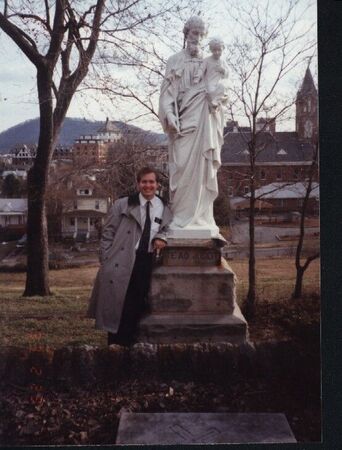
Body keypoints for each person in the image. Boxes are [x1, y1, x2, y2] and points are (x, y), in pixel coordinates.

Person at [87, 167, 172, 346]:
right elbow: (108, 232)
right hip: (121, 259)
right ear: (138, 184)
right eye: (144, 182)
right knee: (118, 303)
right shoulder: (123, 204)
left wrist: (161, 237)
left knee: (137, 303)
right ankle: (115, 347)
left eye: (151, 182)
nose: (147, 186)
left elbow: (166, 228)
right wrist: (106, 258)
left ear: (157, 184)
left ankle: (132, 344)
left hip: (145, 260)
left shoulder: (164, 207)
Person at [159, 17, 227, 237]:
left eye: (201, 34)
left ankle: (201, 217)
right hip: (182, 124)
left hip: (205, 121)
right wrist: (170, 114)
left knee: (203, 168)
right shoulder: (174, 60)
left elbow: (221, 87)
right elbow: (167, 93)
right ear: (186, 33)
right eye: (193, 33)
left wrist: (217, 99)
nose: (197, 38)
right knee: (180, 169)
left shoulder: (210, 61)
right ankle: (181, 217)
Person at [195, 37, 229, 113]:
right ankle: (213, 106)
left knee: (223, 87)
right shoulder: (207, 60)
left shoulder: (222, 61)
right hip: (209, 82)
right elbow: (201, 69)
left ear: (223, 49)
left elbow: (228, 72)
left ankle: (216, 104)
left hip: (218, 82)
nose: (217, 52)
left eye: (219, 50)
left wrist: (223, 70)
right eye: (214, 50)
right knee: (210, 91)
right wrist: (198, 77)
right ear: (211, 50)